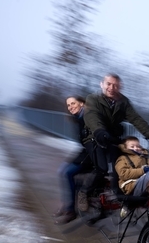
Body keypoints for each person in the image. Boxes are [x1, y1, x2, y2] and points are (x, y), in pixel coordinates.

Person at [78, 73, 149, 212]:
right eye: (108, 84)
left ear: (120, 87)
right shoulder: (93, 99)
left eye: (115, 85)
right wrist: (99, 131)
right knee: (102, 168)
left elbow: (136, 119)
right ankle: (84, 192)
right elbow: (92, 116)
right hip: (94, 136)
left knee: (123, 160)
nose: (112, 88)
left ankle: (121, 193)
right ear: (102, 84)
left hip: (110, 137)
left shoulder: (123, 102)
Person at [52, 96, 93, 224]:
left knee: (67, 173)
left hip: (93, 154)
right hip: (85, 152)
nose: (70, 107)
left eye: (73, 103)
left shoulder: (89, 117)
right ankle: (67, 203)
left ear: (81, 103)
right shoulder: (79, 118)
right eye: (68, 105)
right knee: (61, 170)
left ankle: (71, 211)